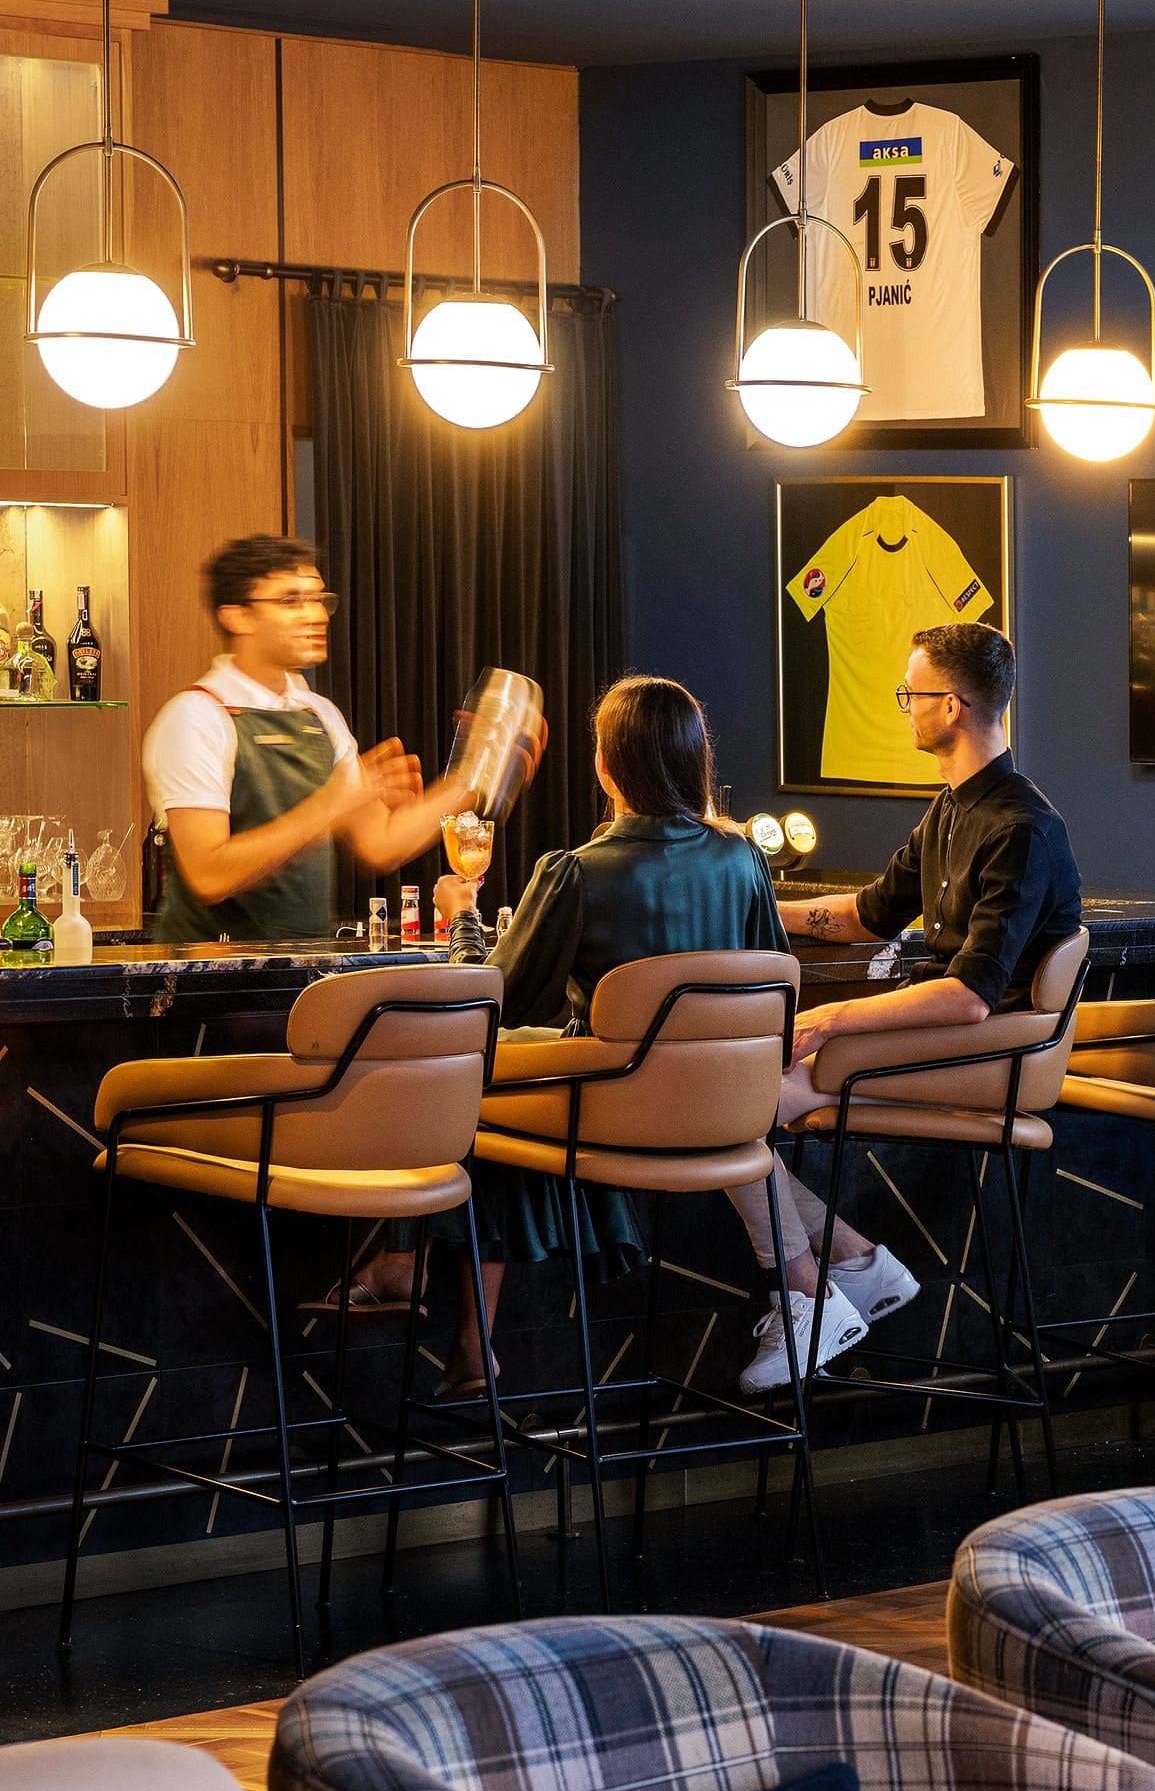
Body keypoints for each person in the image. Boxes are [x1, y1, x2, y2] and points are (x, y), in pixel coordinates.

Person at [354, 673, 796, 1396]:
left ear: (605, 763)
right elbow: (772, 987)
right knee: (501, 1109)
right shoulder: (745, 861)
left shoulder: (576, 873)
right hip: (728, 1122)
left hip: (609, 1118)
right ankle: (457, 1325)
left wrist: (461, 910)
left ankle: (430, 1286)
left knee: (478, 1088)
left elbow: (490, 1004)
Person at [731, 619, 1081, 1394]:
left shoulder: (1022, 827)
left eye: (910, 694)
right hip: (942, 1045)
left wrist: (825, 1021)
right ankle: (852, 1263)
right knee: (721, 1103)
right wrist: (750, 888)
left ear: (951, 707)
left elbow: (965, 997)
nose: (905, 708)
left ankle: (812, 1291)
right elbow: (865, 915)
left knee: (724, 1103)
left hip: (991, 1058)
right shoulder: (952, 809)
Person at [142, 535, 471, 945]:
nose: (316, 615)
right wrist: (329, 805)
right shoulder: (197, 715)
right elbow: (209, 874)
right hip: (211, 987)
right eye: (290, 601)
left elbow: (381, 842)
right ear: (237, 616)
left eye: (319, 599)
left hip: (304, 974)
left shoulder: (318, 713)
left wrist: (474, 776)